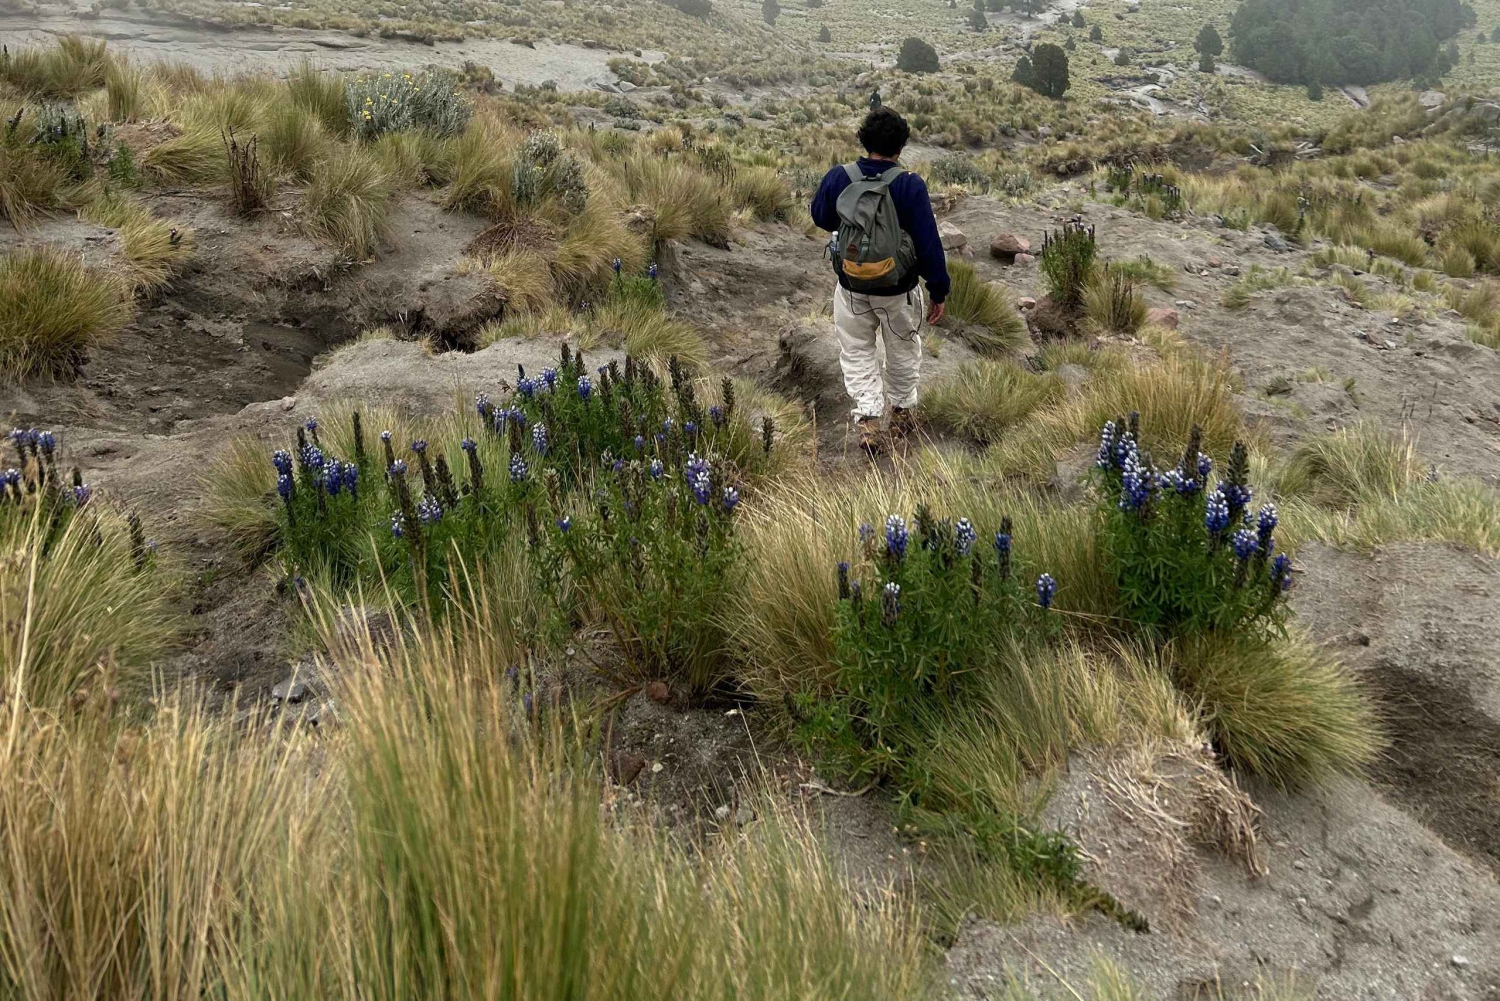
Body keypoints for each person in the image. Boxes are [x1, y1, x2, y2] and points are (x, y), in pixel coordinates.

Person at [810, 107, 949, 453]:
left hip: (851, 286)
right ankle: (902, 412)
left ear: (863, 140)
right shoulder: (909, 185)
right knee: (902, 347)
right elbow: (928, 243)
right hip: (898, 289)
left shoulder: (839, 177)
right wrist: (938, 288)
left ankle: (869, 422)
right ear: (901, 146)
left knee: (856, 351)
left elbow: (821, 218)